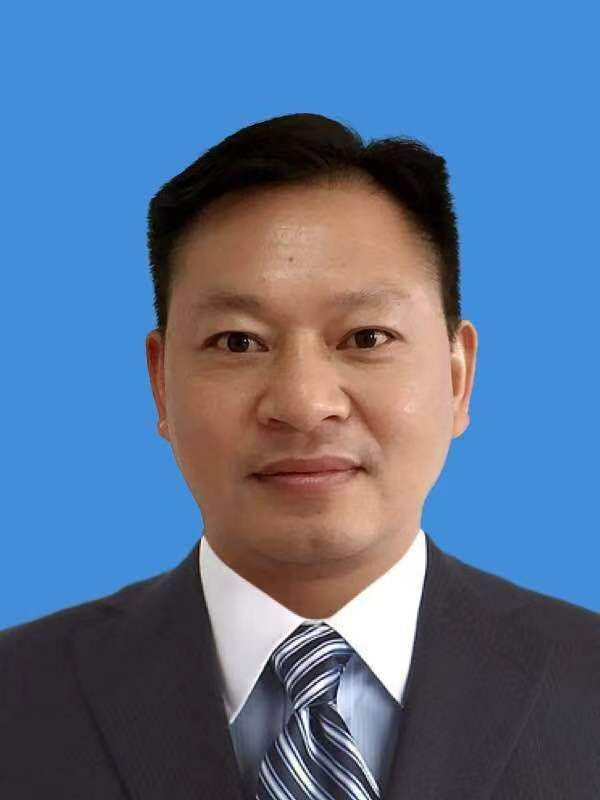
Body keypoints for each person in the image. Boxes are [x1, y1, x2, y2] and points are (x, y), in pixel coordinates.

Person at [1, 112, 598, 799]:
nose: (304, 403)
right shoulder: (18, 698)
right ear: (160, 383)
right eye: (238, 342)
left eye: (367, 337)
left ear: (458, 376)